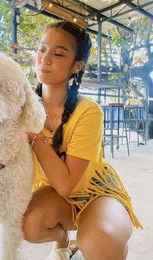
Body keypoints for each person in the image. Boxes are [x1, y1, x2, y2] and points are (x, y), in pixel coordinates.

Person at [23, 20, 142, 260]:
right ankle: (63, 240)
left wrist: (34, 134)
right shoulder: (21, 106)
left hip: (96, 192)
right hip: (55, 195)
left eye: (58, 53)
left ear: (76, 66)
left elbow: (66, 183)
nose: (45, 59)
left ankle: (110, 243)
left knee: (101, 240)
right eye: (42, 49)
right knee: (27, 224)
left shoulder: (88, 111)